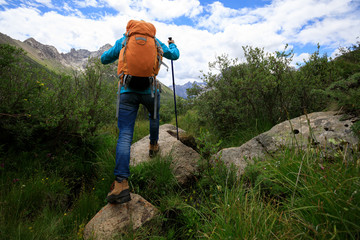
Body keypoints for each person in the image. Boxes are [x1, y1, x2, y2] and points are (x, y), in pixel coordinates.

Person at [100, 20, 180, 204]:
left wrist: (111, 53)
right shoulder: (156, 41)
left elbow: (104, 59)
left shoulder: (124, 40)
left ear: (130, 28)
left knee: (125, 134)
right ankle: (153, 146)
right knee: (154, 116)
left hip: (127, 92)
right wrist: (172, 44)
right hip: (150, 90)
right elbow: (175, 56)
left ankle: (121, 184)